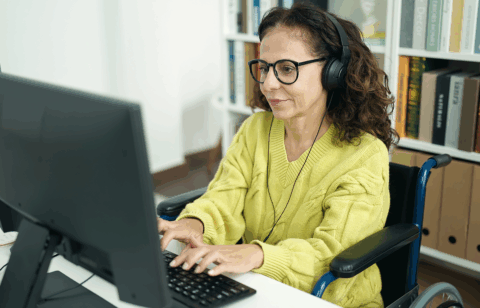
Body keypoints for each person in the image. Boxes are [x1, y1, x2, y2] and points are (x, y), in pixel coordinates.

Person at [158, 2, 399, 307]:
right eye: (265, 68)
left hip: (333, 300)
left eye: (287, 69)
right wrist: (195, 224)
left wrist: (256, 255)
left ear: (334, 72)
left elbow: (332, 256)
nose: (269, 83)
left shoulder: (364, 155)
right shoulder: (254, 129)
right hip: (257, 286)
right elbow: (224, 198)